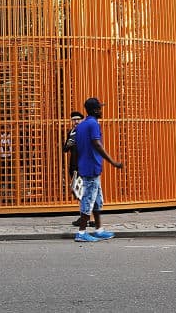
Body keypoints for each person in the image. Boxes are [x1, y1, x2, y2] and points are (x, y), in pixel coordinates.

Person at [73, 97, 124, 242]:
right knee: (88, 200)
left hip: (88, 167)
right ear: (95, 110)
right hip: (91, 168)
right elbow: (97, 144)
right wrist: (113, 161)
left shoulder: (81, 125)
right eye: (100, 108)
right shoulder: (93, 124)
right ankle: (81, 233)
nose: (101, 110)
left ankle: (99, 229)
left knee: (96, 200)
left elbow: (77, 148)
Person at [63, 111, 84, 194]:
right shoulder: (71, 133)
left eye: (78, 119)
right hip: (74, 163)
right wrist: (69, 144)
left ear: (82, 120)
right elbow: (65, 149)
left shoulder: (86, 132)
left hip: (84, 162)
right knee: (75, 187)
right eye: (74, 120)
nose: (76, 122)